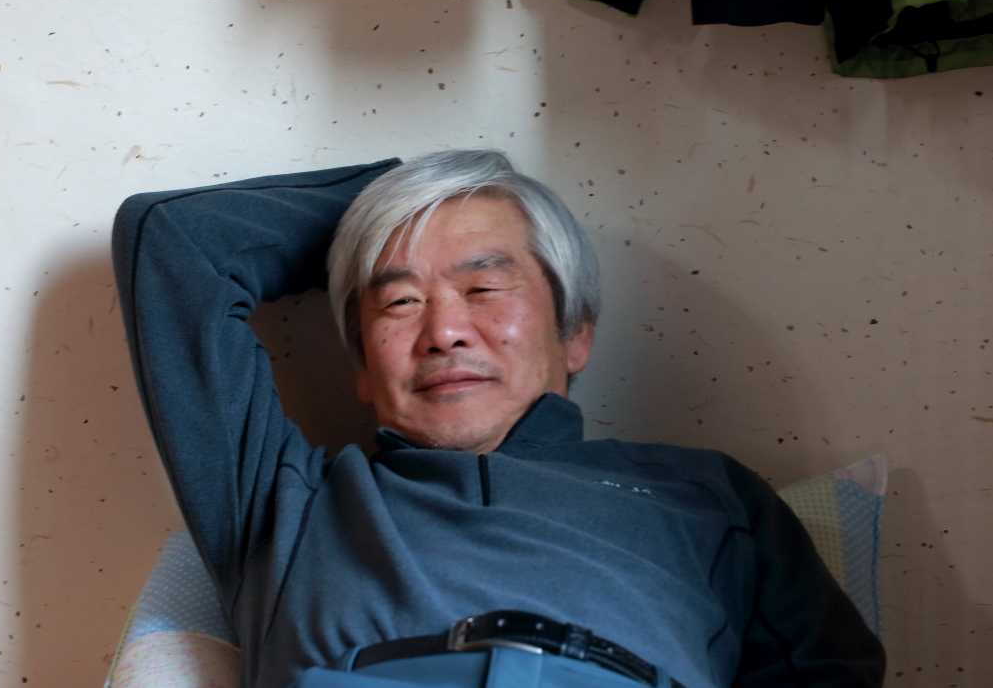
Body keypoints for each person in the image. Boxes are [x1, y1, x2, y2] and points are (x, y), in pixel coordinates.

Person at [112, 150, 885, 688]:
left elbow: (828, 672)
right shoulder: (286, 502)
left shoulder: (706, 493)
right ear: (362, 368)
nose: (445, 330)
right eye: (399, 301)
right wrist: (399, 193)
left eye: (483, 289)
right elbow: (176, 243)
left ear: (575, 334)